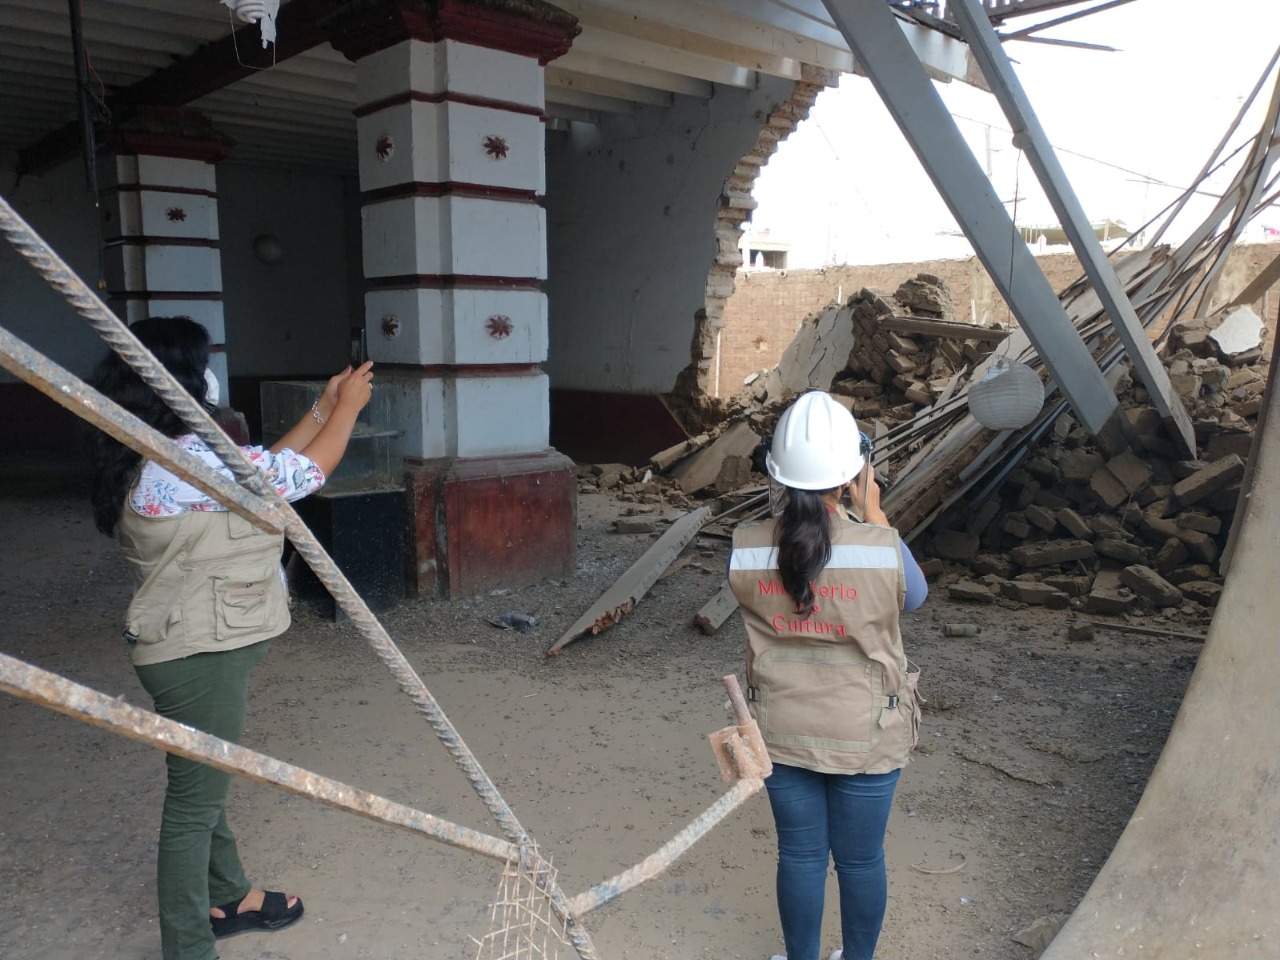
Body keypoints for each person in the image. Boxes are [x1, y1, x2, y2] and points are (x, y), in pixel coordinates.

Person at [88, 316, 374, 960]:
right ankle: (190, 946)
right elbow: (296, 479)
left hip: (191, 644)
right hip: (197, 652)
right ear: (181, 379)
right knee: (194, 803)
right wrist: (348, 413)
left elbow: (263, 466)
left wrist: (321, 407)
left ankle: (229, 895)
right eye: (204, 362)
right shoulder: (181, 459)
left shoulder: (150, 447)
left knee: (202, 780)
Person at [727, 391, 928, 960]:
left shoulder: (743, 549)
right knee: (861, 859)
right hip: (866, 728)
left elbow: (786, 565)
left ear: (775, 470)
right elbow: (915, 597)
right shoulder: (883, 549)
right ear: (854, 472)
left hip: (779, 725)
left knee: (800, 856)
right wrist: (876, 513)